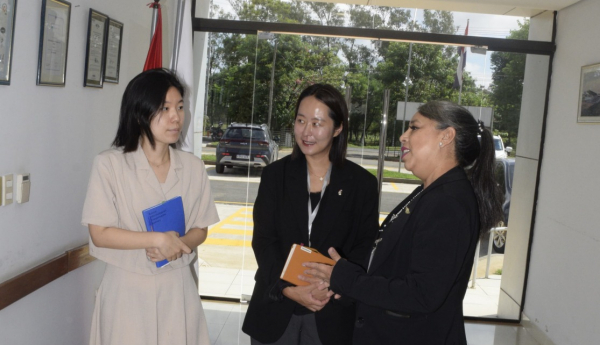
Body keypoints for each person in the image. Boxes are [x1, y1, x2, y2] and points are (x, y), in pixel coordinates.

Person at [303, 100, 504, 344]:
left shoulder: (448, 202)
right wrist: (345, 282)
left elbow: (422, 294)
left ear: (446, 136)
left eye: (414, 128)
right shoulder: (429, 191)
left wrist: (348, 279)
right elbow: (393, 267)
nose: (402, 136)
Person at [81, 68, 219, 345]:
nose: (176, 117)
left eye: (180, 107)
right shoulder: (110, 164)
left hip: (177, 287)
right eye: (164, 108)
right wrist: (156, 239)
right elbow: (100, 233)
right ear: (140, 112)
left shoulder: (192, 167)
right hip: (127, 291)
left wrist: (178, 244)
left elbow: (200, 228)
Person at [242, 84, 380, 345]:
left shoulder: (361, 184)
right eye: (300, 120)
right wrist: (289, 289)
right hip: (276, 306)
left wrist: (335, 286)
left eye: (317, 123)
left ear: (337, 128)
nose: (306, 131)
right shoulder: (275, 176)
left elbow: (363, 247)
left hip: (331, 312)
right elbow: (263, 241)